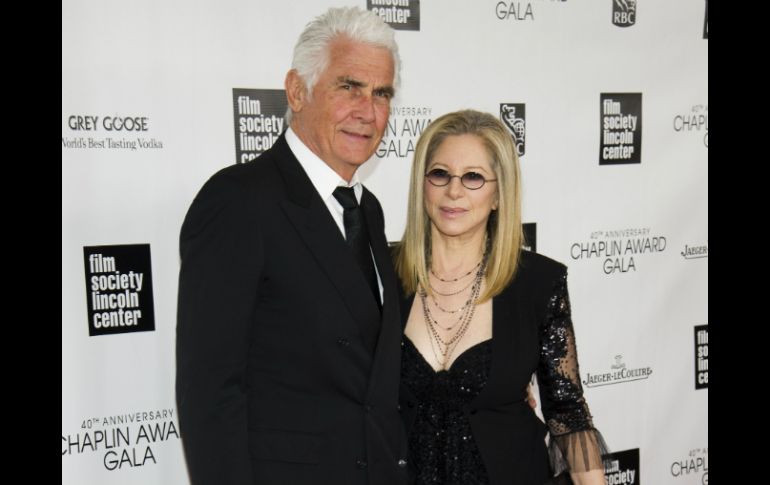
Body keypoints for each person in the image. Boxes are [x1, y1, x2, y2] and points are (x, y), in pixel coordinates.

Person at [176, 7, 409, 485]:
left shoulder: (370, 210)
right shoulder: (240, 201)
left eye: (381, 93)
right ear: (297, 91)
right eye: (349, 87)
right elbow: (210, 392)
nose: (367, 111)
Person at [394, 110, 609, 485]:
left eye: (473, 177)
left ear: (498, 194)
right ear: (422, 184)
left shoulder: (538, 283)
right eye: (440, 174)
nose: (454, 191)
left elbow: (568, 413)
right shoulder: (383, 274)